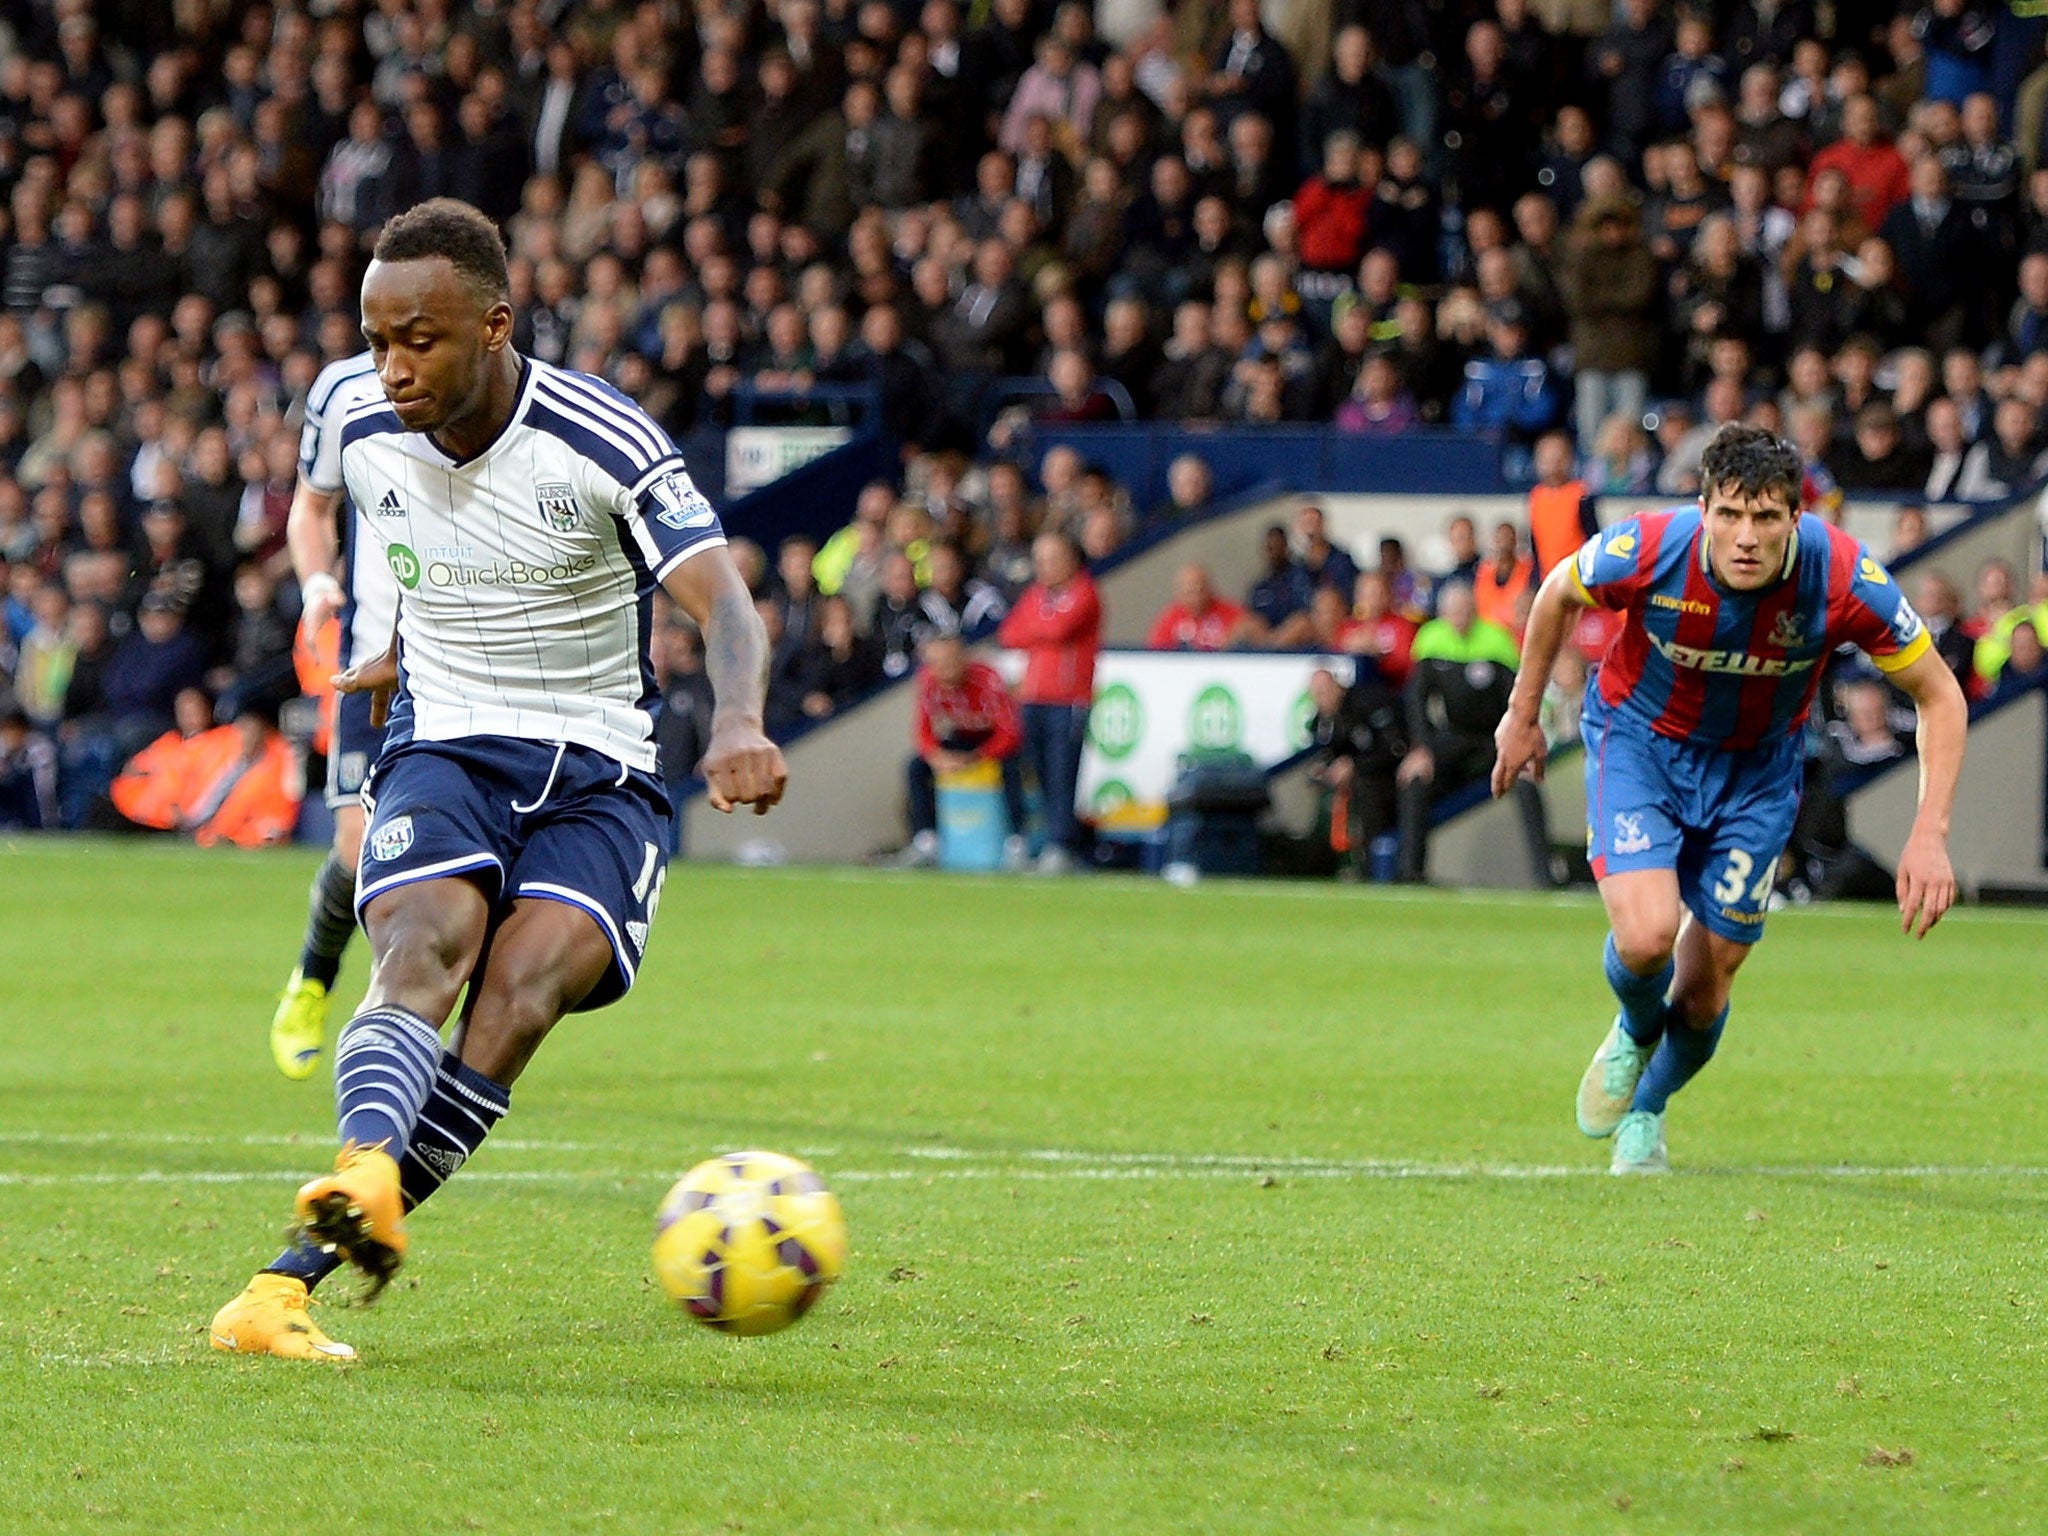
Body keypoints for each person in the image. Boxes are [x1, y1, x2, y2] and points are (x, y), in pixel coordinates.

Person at [208, 200, 785, 1363]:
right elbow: (444, 568)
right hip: (448, 739)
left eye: (417, 339)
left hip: (600, 771)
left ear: (493, 324)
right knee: (421, 949)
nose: (391, 367)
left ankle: (281, 1286)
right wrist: (402, 653)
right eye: (375, 339)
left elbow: (724, 599)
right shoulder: (365, 429)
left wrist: (736, 720)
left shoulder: (601, 438)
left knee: (519, 996)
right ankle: (354, 1188)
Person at [1492, 424, 1965, 1175]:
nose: (1747, 537)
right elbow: (1555, 595)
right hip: (1641, 743)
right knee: (1648, 939)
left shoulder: (1841, 576)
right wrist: (1521, 716)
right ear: (1702, 506)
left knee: (1709, 986)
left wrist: (1929, 831)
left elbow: (1940, 694)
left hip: (1757, 773)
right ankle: (1632, 1031)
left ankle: (1646, 1109)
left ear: (1797, 520)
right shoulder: (1648, 548)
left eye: (1768, 517)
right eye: (1731, 515)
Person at [268, 348, 395, 1081]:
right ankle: (312, 981)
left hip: (473, 661)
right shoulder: (343, 388)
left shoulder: (489, 381)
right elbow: (312, 509)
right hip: (372, 659)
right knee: (359, 848)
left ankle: (397, 1032)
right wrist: (318, 583)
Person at [1395, 581, 1538, 883]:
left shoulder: (1496, 640)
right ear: (1443, 613)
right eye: (1453, 611)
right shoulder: (1431, 639)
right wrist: (1421, 748)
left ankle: (1544, 872)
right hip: (1452, 738)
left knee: (1526, 782)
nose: (1460, 616)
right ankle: (1410, 871)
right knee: (1416, 778)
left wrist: (1519, 744)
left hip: (1492, 739)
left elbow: (1515, 700)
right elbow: (1417, 702)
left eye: (1465, 609)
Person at [996, 530, 1100, 873]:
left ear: (1071, 560)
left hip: (1068, 699)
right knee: (1038, 772)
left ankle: (1060, 844)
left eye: (1052, 559)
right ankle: (1055, 841)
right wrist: (1042, 627)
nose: (1045, 567)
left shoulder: (1085, 592)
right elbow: (1009, 634)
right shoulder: (1036, 596)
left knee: (1062, 772)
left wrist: (1036, 628)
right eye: (1040, 560)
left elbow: (1059, 630)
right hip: (1033, 696)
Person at [900, 632, 1028, 869]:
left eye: (949, 662)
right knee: (915, 767)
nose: (944, 670)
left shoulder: (988, 680)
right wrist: (937, 756)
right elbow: (923, 731)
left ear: (963, 659)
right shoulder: (927, 681)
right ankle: (927, 840)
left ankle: (1016, 842)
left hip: (992, 740)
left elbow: (1010, 733)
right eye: (936, 663)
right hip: (961, 737)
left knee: (1010, 767)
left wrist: (976, 758)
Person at [1307, 665, 1407, 881]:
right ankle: (1328, 863)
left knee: (1366, 787)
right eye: (1316, 695)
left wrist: (1355, 765)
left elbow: (1394, 749)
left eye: (1324, 692)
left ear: (1338, 687)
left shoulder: (1367, 703)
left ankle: (1372, 867)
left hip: (1392, 777)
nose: (1321, 700)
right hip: (1355, 782)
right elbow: (1328, 752)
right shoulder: (1323, 722)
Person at [1147, 562, 1250, 650]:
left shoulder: (1230, 611)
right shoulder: (1171, 617)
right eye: (1190, 592)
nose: (1197, 598)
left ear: (1210, 589)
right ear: (1179, 594)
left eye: (1201, 590)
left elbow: (1256, 633)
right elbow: (1155, 653)